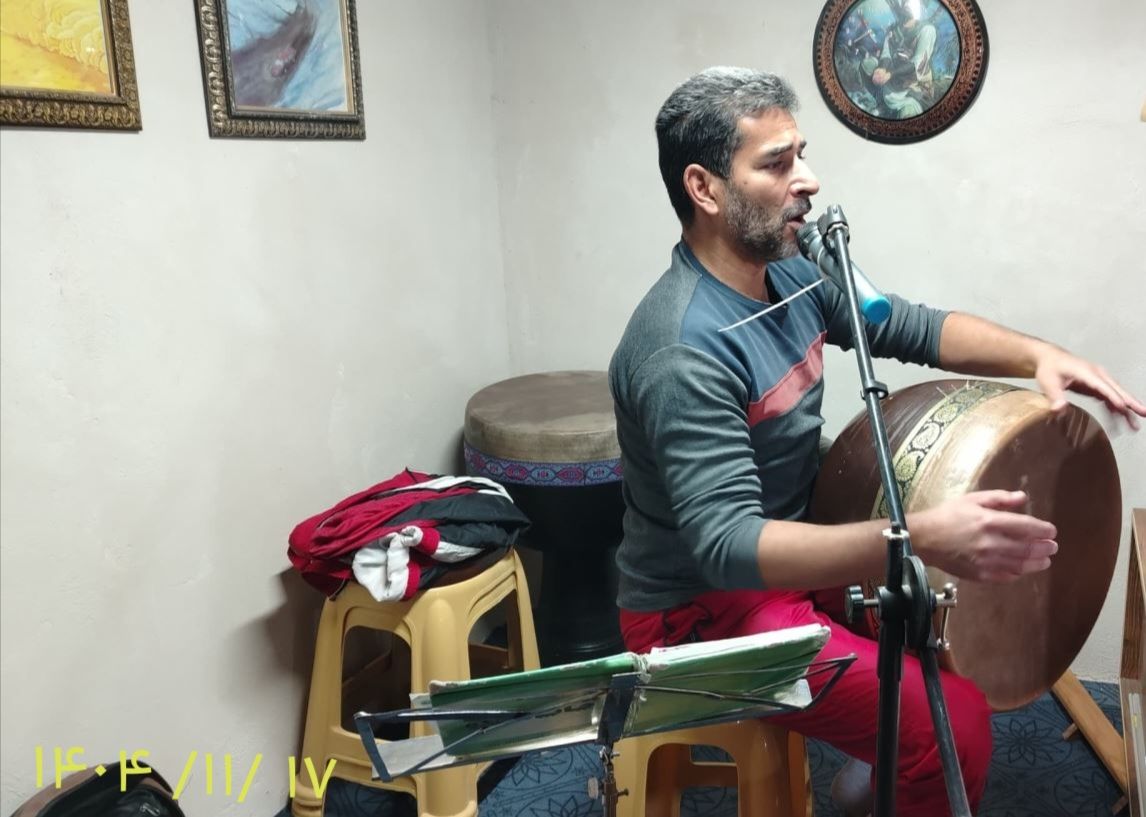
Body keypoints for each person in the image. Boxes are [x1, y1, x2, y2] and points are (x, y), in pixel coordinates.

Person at [607, 66, 1145, 817]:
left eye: (801, 155)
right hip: (701, 611)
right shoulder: (684, 348)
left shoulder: (791, 273)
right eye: (776, 163)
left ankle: (882, 773)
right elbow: (727, 547)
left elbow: (908, 325)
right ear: (704, 188)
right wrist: (919, 535)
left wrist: (1039, 356)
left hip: (787, 555)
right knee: (954, 726)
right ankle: (903, 759)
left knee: (934, 614)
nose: (808, 180)